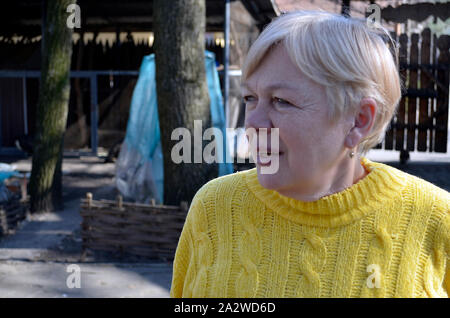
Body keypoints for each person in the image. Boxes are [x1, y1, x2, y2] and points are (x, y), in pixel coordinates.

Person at [170, 10, 450, 298]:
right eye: (251, 98)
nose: (252, 122)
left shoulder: (436, 219)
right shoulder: (214, 208)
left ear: (358, 120)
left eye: (281, 101)